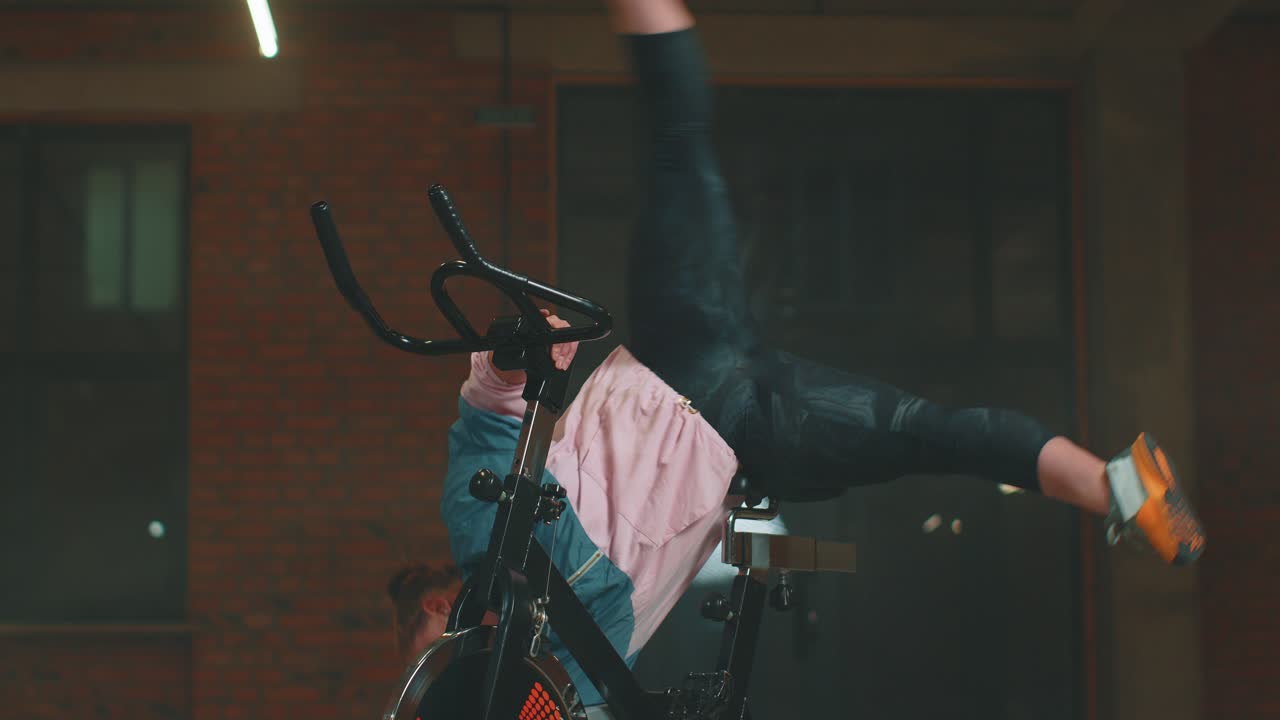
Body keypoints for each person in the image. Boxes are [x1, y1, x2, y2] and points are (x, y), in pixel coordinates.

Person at [404, 0, 1207, 709]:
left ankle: (1121, 484)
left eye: (434, 662)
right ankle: (1122, 484)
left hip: (676, 356)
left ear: (441, 612)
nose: (453, 683)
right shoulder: (567, 688)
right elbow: (606, 607)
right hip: (750, 433)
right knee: (933, 433)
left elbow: (488, 417)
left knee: (678, 140)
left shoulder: (482, 530)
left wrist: (515, 352)